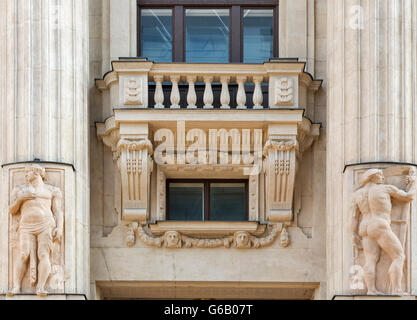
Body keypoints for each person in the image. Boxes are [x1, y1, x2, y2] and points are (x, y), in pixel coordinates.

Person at [350, 168, 416, 295]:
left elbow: (353, 217)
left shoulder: (357, 194)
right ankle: (396, 290)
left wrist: (353, 234)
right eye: (379, 175)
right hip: (379, 224)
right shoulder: (385, 188)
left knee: (370, 259)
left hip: (364, 227)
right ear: (371, 178)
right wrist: (414, 182)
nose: (382, 177)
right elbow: (408, 196)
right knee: (398, 256)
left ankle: (371, 290)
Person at [8, 165, 63, 296]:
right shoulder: (20, 190)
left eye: (28, 172)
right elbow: (12, 210)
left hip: (46, 225)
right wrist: (21, 199)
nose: (26, 175)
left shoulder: (51, 190)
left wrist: (59, 227)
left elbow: (58, 211)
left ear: (37, 173)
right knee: (23, 254)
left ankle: (41, 287)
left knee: (43, 254)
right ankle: (16, 286)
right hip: (26, 226)